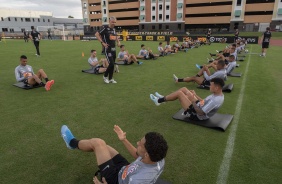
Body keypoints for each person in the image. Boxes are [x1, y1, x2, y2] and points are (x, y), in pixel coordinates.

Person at [61, 125, 168, 184]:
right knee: (104, 147)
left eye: (140, 144)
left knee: (98, 143)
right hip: (126, 169)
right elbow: (137, 155)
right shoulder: (158, 159)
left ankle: (72, 143)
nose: (137, 143)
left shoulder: (138, 180)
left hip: (115, 180)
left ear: (146, 155)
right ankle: (73, 144)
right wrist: (124, 140)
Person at [150, 78, 225, 120]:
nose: (209, 86)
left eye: (211, 85)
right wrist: (195, 95)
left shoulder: (215, 100)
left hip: (196, 115)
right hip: (198, 106)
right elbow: (203, 102)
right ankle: (163, 98)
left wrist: (192, 101)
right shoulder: (217, 94)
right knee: (184, 89)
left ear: (217, 87)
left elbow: (201, 113)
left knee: (179, 94)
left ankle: (158, 101)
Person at [95, 16, 120, 84]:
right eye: (112, 22)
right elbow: (97, 34)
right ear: (109, 21)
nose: (114, 23)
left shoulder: (114, 29)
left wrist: (118, 42)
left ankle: (111, 78)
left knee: (112, 64)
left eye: (115, 22)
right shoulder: (105, 28)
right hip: (108, 49)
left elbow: (116, 36)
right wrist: (102, 43)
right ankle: (105, 76)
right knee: (111, 63)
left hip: (114, 49)